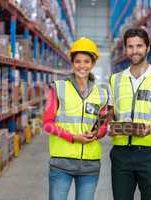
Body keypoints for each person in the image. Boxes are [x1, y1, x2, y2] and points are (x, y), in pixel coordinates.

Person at [109, 28, 151, 200]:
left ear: (148, 48)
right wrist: (108, 124)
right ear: (125, 49)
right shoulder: (115, 79)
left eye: (139, 46)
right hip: (121, 154)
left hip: (150, 155)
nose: (134, 51)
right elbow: (110, 113)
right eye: (130, 47)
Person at [43, 37, 110, 200]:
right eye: (78, 61)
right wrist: (73, 138)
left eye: (87, 61)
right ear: (72, 62)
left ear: (93, 64)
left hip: (90, 164)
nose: (82, 66)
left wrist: (96, 134)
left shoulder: (101, 93)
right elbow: (47, 124)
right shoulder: (58, 88)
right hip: (61, 164)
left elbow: (102, 125)